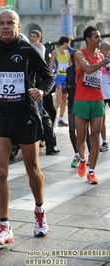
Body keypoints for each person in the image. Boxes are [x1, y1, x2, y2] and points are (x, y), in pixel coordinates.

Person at [0, 10, 55, 245]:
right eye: (2, 23)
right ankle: (4, 226)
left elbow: (48, 77)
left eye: (10, 23)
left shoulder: (29, 51)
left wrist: (41, 91)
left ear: (18, 25)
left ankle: (39, 212)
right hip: (0, 116)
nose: (5, 27)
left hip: (25, 116)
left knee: (32, 169)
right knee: (0, 171)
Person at [74, 26, 107, 185]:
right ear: (88, 39)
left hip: (97, 100)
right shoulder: (80, 54)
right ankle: (82, 158)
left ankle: (92, 171)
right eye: (96, 37)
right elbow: (87, 69)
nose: (99, 40)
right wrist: (105, 61)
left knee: (95, 136)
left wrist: (105, 62)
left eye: (100, 37)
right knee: (81, 137)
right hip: (81, 100)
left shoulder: (100, 55)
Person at [64, 50, 91, 168]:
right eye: (72, 57)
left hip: (82, 101)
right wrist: (66, 88)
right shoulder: (69, 70)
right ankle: (77, 154)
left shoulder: (85, 69)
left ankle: (90, 154)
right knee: (71, 129)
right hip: (72, 102)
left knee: (85, 132)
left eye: (75, 57)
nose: (74, 60)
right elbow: (67, 82)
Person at [49, 36, 71, 127]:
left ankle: (61, 118)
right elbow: (50, 66)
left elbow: (70, 65)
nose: (69, 45)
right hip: (59, 77)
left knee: (64, 99)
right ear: (65, 42)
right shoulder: (55, 52)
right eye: (68, 43)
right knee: (58, 98)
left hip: (66, 77)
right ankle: (53, 117)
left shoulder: (67, 53)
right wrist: (50, 78)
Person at [100, 42, 110, 152]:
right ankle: (104, 141)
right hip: (101, 92)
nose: (109, 52)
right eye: (107, 50)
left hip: (109, 90)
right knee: (101, 119)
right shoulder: (98, 58)